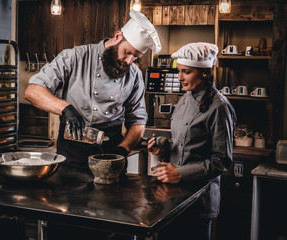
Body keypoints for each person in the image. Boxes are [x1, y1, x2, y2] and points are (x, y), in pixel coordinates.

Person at [24, 10, 161, 172]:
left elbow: (138, 122)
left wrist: (123, 150)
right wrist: (65, 109)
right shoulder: (75, 57)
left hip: (112, 152)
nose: (129, 61)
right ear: (117, 37)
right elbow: (32, 91)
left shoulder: (135, 75)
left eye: (135, 58)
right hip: (72, 152)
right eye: (128, 52)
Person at [148, 42, 237, 240]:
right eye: (179, 71)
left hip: (198, 200)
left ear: (204, 73)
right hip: (172, 197)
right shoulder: (185, 98)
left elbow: (221, 161)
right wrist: (163, 147)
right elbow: (183, 142)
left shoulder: (219, 107)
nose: (179, 77)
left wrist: (179, 172)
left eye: (186, 72)